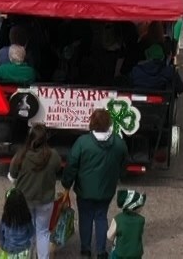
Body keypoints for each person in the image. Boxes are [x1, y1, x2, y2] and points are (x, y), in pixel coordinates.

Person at [61, 108, 127, 259]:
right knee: (101, 217)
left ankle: (85, 249)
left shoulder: (83, 142)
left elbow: (71, 165)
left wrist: (66, 184)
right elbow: (123, 164)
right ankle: (101, 251)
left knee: (85, 217)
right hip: (106, 190)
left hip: (84, 190)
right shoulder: (119, 143)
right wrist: (120, 176)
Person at [8, 125, 61, 259]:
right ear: (46, 138)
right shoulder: (53, 155)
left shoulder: (21, 154)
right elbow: (57, 170)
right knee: (43, 232)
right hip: (45, 200)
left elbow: (12, 176)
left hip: (24, 200)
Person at [111, 188, 146, 259]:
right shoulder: (141, 220)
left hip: (120, 253)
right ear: (134, 207)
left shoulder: (118, 218)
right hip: (136, 254)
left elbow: (109, 236)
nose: (142, 208)